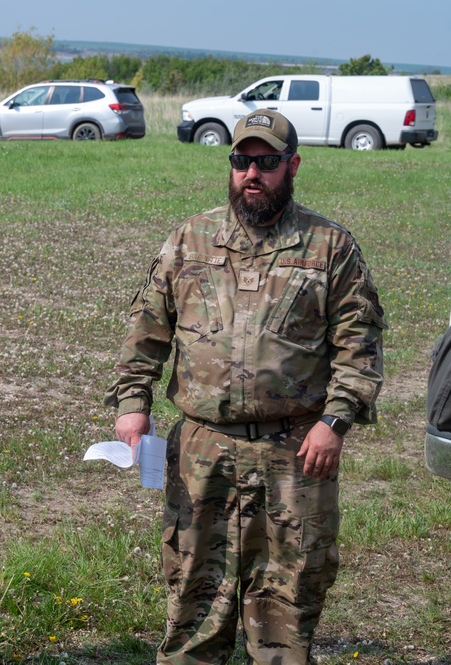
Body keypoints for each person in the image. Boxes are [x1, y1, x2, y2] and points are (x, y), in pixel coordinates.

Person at [104, 109, 386, 665]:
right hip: (202, 453)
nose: (251, 173)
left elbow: (360, 346)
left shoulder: (330, 247)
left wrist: (336, 421)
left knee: (285, 603)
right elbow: (145, 331)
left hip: (295, 454)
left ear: (292, 165)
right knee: (193, 597)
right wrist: (133, 405)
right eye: (241, 160)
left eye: (267, 162)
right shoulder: (189, 240)